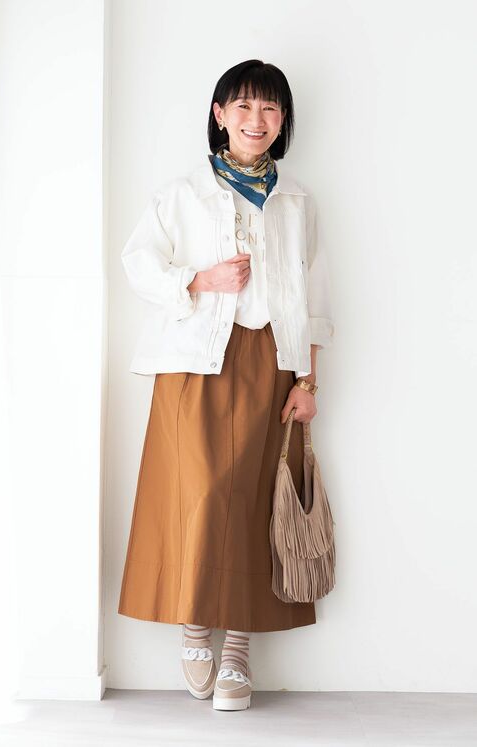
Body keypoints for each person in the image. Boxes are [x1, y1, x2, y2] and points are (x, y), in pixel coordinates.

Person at [118, 59, 335, 711]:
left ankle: (237, 650)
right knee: (201, 494)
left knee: (255, 502)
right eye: (242, 106)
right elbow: (137, 261)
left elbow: (315, 291)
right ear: (219, 115)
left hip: (270, 362)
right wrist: (198, 279)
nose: (255, 120)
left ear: (283, 120)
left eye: (269, 108)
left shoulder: (297, 201)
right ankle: (194, 629)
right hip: (196, 362)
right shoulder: (182, 193)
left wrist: (309, 379)